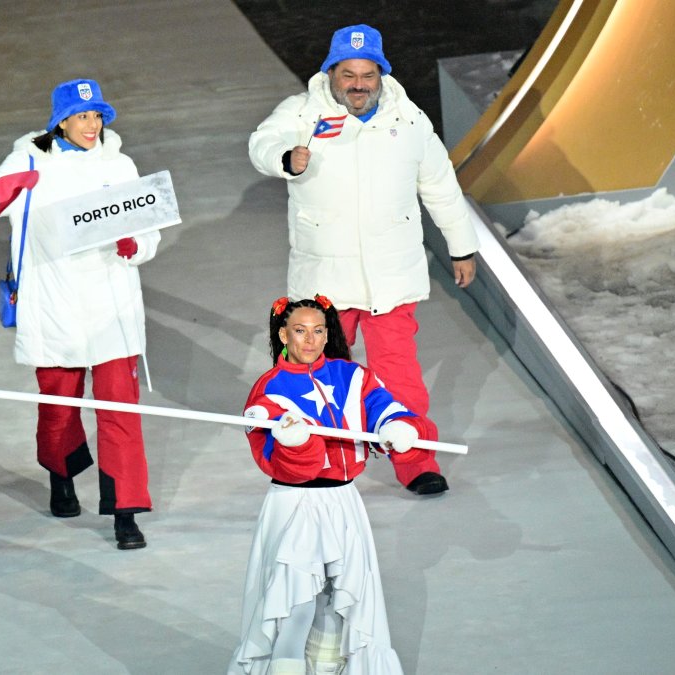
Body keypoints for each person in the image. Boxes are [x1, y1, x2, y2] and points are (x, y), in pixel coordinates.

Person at [248, 23, 479, 496]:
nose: (358, 85)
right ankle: (323, 459)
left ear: (381, 75)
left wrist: (462, 246)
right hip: (324, 282)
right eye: (348, 74)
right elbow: (261, 143)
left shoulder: (408, 120)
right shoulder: (301, 112)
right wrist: (284, 158)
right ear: (331, 72)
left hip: (391, 279)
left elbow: (440, 185)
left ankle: (416, 463)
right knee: (319, 380)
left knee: (400, 380)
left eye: (368, 75)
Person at [0, 79, 158, 550]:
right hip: (55, 306)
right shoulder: (30, 162)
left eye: (97, 116)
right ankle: (62, 477)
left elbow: (148, 227)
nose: (91, 125)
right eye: (81, 117)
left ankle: (125, 513)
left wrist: (136, 245)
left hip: (113, 309)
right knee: (58, 409)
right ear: (60, 121)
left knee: (121, 413)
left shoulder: (120, 165)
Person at [229, 296, 436, 675]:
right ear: (283, 335)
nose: (310, 340)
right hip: (295, 506)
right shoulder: (268, 390)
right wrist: (295, 443)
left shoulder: (352, 376)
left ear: (328, 335)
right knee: (295, 607)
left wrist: (397, 427)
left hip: (343, 502)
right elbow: (276, 459)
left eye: (318, 330)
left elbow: (382, 405)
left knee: (339, 604)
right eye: (300, 330)